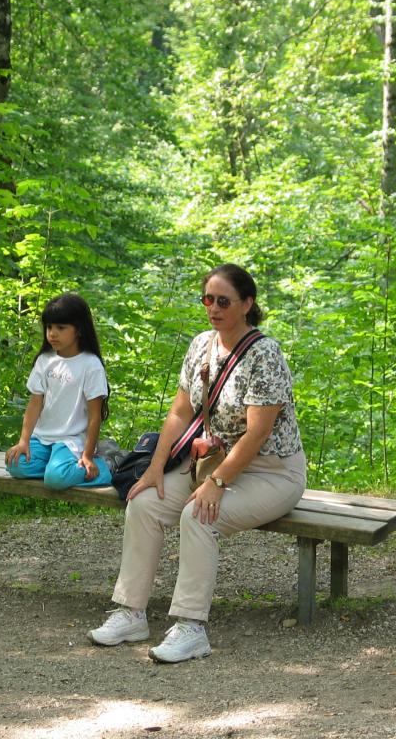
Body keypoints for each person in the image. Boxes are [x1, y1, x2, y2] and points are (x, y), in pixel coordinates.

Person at [87, 264, 306, 662]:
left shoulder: (266, 355)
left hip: (272, 472)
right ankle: (131, 612)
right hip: (212, 465)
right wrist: (155, 468)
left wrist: (217, 484)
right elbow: (179, 413)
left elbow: (257, 434)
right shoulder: (201, 345)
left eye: (224, 301)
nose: (214, 308)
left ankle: (190, 628)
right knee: (144, 503)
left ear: (247, 304)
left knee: (198, 515)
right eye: (208, 299)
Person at [5, 293, 113, 490]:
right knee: (15, 466)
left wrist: (87, 455)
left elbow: (94, 416)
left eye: (61, 328)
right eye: (49, 327)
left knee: (56, 479)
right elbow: (34, 404)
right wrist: (23, 441)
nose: (52, 333)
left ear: (79, 329)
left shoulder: (91, 365)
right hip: (43, 438)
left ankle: (106, 467)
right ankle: (56, 467)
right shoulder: (45, 360)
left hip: (72, 441)